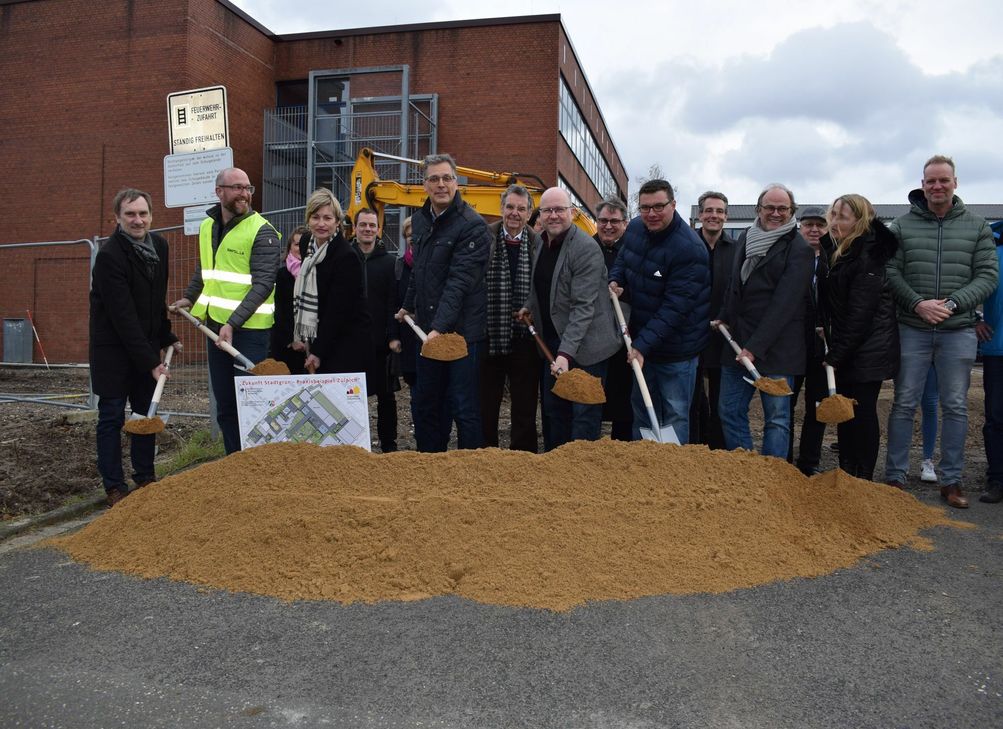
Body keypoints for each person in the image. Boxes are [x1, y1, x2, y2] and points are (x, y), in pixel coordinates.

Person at [884, 155, 999, 508]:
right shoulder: (900, 228)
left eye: (943, 181)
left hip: (958, 330)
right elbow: (890, 271)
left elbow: (987, 276)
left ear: (955, 183)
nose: (937, 187)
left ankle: (951, 481)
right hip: (912, 328)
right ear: (922, 184)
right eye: (930, 181)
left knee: (955, 406)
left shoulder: (977, 226)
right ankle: (895, 478)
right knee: (903, 403)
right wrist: (919, 304)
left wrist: (950, 305)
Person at [171, 167, 280, 455]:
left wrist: (232, 323)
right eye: (237, 188)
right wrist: (189, 297)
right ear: (219, 191)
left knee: (251, 403)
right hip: (216, 327)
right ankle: (234, 460)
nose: (244, 194)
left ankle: (256, 462)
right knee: (226, 403)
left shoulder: (262, 231)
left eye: (248, 188)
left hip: (250, 332)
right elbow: (206, 268)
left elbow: (264, 284)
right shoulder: (208, 226)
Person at [396, 153, 492, 453]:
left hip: (463, 334)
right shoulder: (422, 220)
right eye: (434, 179)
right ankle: (430, 465)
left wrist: (438, 329)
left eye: (447, 178)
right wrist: (408, 305)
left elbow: (459, 283)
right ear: (424, 185)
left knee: (463, 406)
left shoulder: (472, 226)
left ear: (456, 182)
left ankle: (468, 471)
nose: (441, 184)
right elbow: (420, 270)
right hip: (430, 332)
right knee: (427, 404)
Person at [90, 188, 179, 506]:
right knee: (112, 417)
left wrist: (166, 335)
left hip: (145, 347)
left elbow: (156, 301)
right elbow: (122, 315)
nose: (137, 220)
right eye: (130, 214)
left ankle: (145, 478)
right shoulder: (109, 256)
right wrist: (150, 361)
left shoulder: (160, 246)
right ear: (117, 218)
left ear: (152, 216)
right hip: (114, 351)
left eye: (143, 213)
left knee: (144, 414)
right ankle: (114, 486)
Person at [714, 183, 814, 458]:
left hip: (779, 348)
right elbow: (736, 283)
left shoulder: (799, 248)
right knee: (729, 410)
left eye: (783, 209)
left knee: (777, 419)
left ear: (791, 211)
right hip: (738, 343)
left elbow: (785, 304)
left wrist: (755, 347)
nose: (776, 213)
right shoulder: (747, 237)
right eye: (770, 207)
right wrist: (724, 315)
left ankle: (773, 478)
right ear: (759, 209)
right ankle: (747, 469)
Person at [609, 179, 710, 443]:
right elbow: (623, 257)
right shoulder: (634, 229)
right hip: (643, 341)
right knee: (642, 408)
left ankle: (673, 474)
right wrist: (616, 279)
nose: (651, 214)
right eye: (644, 208)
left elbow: (675, 308)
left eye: (658, 207)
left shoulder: (689, 249)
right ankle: (644, 471)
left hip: (677, 349)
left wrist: (642, 346)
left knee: (675, 413)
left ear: (673, 205)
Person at [523, 187, 621, 449]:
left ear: (572, 212)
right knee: (555, 413)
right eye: (547, 211)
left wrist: (565, 355)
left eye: (559, 210)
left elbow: (583, 307)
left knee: (583, 416)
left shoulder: (586, 248)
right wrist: (528, 305)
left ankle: (582, 477)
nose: (553, 216)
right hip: (554, 341)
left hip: (587, 348)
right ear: (540, 215)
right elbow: (544, 286)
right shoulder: (541, 242)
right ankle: (557, 472)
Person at [819, 195, 899, 481]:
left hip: (867, 349)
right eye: (834, 215)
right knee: (845, 411)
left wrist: (836, 355)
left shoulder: (868, 255)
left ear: (860, 222)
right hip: (847, 345)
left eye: (843, 217)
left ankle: (862, 478)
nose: (835, 222)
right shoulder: (836, 250)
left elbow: (860, 314)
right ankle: (846, 473)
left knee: (862, 412)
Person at [481, 184, 542, 451]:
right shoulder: (485, 238)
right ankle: (485, 453)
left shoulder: (539, 243)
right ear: (501, 209)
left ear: (529, 213)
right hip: (489, 333)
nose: (514, 213)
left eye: (521, 208)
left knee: (525, 406)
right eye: (510, 207)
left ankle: (523, 457)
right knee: (485, 402)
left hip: (525, 337)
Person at [293, 189, 371, 377]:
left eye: (327, 218)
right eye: (315, 217)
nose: (321, 224)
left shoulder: (346, 256)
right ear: (308, 219)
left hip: (344, 339)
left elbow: (338, 310)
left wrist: (318, 351)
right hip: (316, 333)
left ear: (337, 222)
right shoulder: (306, 243)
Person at [351, 207, 401, 452]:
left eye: (372, 225)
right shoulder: (345, 259)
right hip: (351, 343)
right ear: (355, 228)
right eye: (363, 225)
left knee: (386, 397)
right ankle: (354, 445)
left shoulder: (390, 263)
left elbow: (394, 302)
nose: (368, 229)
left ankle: (388, 444)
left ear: (378, 230)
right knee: (351, 396)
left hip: (381, 342)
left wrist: (393, 336)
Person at [691, 191, 737, 449]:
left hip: (724, 336)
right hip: (691, 335)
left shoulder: (736, 250)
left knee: (722, 399)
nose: (714, 216)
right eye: (709, 211)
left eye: (719, 212)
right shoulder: (688, 244)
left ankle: (718, 450)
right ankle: (695, 447)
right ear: (700, 215)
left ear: (726, 217)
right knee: (693, 397)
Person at [789, 206, 829, 475]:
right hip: (792, 345)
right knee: (786, 406)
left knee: (818, 407)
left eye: (820, 225)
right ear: (800, 228)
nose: (814, 230)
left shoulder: (834, 260)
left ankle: (809, 462)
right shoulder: (790, 259)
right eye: (809, 225)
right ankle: (783, 459)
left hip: (822, 348)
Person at [594, 196, 633, 441]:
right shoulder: (586, 248)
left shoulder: (634, 251)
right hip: (594, 340)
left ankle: (622, 450)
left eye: (614, 221)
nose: (608, 226)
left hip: (625, 338)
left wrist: (625, 292)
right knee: (593, 399)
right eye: (603, 220)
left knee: (624, 401)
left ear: (625, 223)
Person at [979, 227, 1003, 504]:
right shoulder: (990, 244)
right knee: (997, 417)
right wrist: (974, 317)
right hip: (998, 347)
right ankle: (997, 477)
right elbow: (967, 280)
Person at [270, 225, 308, 375]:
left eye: (303, 244)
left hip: (312, 346)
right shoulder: (281, 275)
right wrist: (292, 339)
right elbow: (279, 311)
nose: (300, 248)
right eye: (296, 244)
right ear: (290, 247)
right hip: (286, 345)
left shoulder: (319, 273)